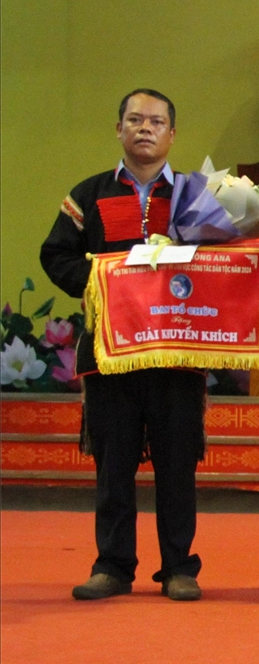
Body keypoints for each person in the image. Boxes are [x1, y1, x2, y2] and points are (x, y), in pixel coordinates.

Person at [40, 89, 207, 602]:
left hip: (177, 352)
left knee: (177, 465)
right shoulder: (87, 194)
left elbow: (227, 257)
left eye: (156, 121)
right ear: (119, 129)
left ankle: (179, 568)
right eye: (135, 120)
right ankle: (112, 567)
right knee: (113, 465)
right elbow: (55, 254)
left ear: (172, 134)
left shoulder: (196, 196)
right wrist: (96, 281)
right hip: (109, 353)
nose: (145, 128)